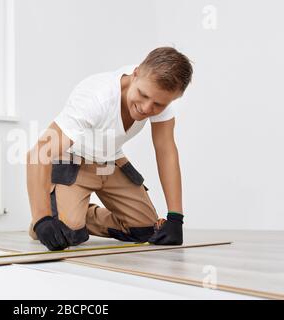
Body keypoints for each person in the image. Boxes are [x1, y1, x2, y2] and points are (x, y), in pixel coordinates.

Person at [26, 47, 193, 251]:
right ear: (136, 73)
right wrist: (42, 219)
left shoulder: (160, 97)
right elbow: (39, 153)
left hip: (110, 160)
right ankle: (54, 216)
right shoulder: (96, 97)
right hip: (74, 159)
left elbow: (166, 150)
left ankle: (73, 213)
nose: (147, 108)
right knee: (67, 232)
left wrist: (175, 217)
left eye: (158, 105)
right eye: (142, 95)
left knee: (147, 231)